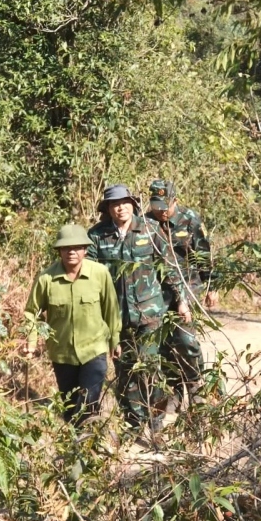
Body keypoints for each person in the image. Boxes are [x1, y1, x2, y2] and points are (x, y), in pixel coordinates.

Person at [87, 184, 186, 432]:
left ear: (133, 204)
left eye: (124, 202)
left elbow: (169, 267)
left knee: (151, 369)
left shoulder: (150, 230)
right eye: (114, 204)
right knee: (125, 373)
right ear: (108, 208)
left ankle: (156, 425)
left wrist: (181, 300)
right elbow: (86, 275)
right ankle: (132, 424)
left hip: (149, 314)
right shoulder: (97, 236)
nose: (120, 207)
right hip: (115, 317)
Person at [23, 224, 122, 425]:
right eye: (66, 248)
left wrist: (115, 340)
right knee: (69, 405)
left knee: (88, 403)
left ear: (85, 250)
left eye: (77, 247)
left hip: (93, 349)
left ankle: (89, 445)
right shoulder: (46, 278)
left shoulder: (100, 273)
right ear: (59, 251)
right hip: (62, 352)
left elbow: (111, 309)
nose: (71, 252)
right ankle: (74, 447)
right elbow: (31, 312)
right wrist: (31, 342)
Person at [145, 179, 211, 402]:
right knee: (164, 342)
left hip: (188, 284)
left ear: (176, 201)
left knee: (185, 339)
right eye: (157, 207)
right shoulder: (145, 223)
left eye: (166, 206)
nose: (162, 212)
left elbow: (202, 253)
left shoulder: (189, 219)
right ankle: (173, 391)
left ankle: (194, 383)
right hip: (158, 290)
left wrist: (211, 284)